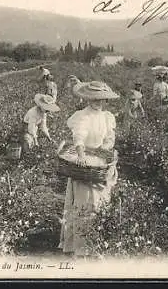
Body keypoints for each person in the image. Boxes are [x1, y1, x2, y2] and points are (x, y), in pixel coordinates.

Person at [58, 81, 120, 258]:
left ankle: (96, 240)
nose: (98, 102)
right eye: (94, 99)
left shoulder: (107, 116)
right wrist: (81, 155)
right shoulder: (83, 116)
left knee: (99, 202)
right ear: (87, 99)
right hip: (85, 163)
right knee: (84, 203)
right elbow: (79, 137)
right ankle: (80, 245)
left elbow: (109, 138)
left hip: (99, 160)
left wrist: (105, 150)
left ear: (105, 100)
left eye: (101, 99)